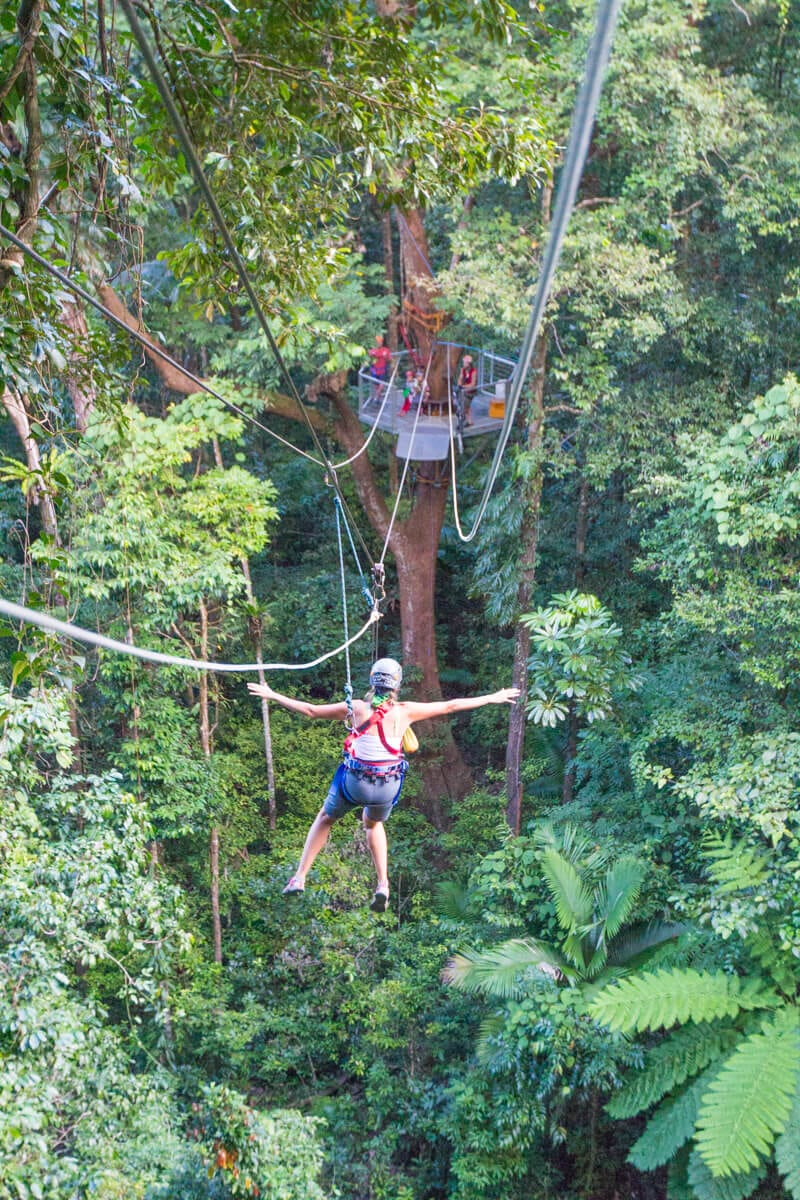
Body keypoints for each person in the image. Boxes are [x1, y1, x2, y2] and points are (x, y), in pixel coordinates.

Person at [247, 660, 519, 912]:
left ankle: (299, 877)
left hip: (356, 783)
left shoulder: (355, 707)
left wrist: (273, 695)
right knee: (373, 824)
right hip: (387, 787)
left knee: (326, 817)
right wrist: (492, 697)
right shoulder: (407, 711)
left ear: (372, 681)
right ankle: (383, 884)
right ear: (397, 685)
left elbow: (311, 711)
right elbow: (451, 706)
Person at [368, 333, 392, 400]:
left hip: (382, 369)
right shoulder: (372, 350)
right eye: (377, 342)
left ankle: (377, 396)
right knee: (376, 384)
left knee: (381, 383)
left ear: (382, 342)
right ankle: (378, 396)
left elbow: (389, 358)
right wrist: (380, 355)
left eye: (380, 341)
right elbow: (369, 356)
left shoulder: (385, 350)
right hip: (374, 370)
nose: (379, 343)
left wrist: (384, 356)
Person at [456, 354, 478, 426]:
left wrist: (463, 386)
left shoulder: (473, 371)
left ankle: (461, 422)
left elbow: (473, 384)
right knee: (467, 406)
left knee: (465, 405)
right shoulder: (463, 370)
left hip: (470, 391)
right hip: (464, 390)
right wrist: (461, 377)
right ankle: (470, 421)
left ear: (469, 364)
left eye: (465, 363)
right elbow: (459, 381)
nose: (464, 364)